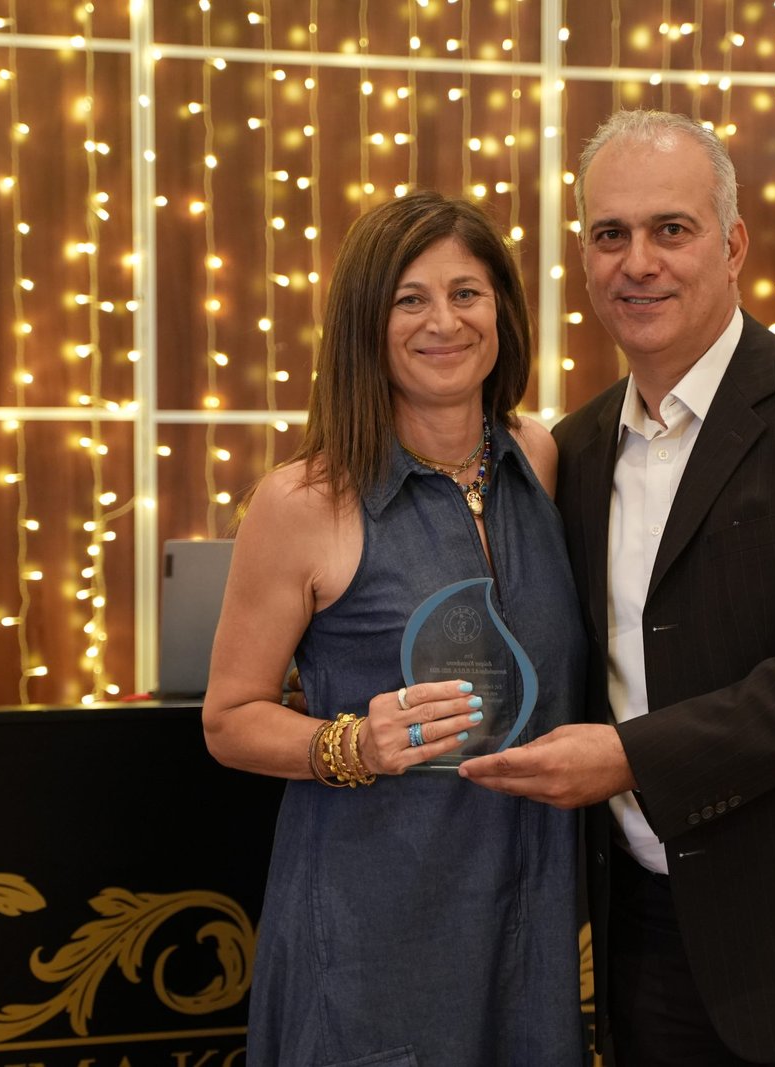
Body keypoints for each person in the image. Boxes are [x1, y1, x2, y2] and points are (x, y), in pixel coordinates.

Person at [461, 110, 775, 1065]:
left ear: (733, 245)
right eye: (609, 234)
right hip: (649, 949)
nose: (638, 262)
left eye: (671, 228)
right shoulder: (574, 450)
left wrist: (631, 757)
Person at [202, 190, 585, 1066]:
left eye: (466, 293)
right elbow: (228, 718)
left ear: (502, 311)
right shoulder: (304, 501)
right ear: (365, 325)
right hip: (372, 943)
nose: (443, 321)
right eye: (410, 298)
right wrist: (352, 744)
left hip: (529, 930)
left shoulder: (539, 458)